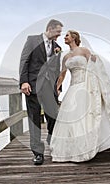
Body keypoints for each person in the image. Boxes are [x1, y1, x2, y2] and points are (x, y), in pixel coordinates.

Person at [50, 30, 110, 162]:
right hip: (73, 88)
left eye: (67, 35)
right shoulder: (66, 57)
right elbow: (62, 75)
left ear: (74, 37)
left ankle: (91, 144)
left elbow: (96, 65)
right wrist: (56, 89)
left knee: (89, 115)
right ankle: (74, 148)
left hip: (86, 86)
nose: (64, 37)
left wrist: (96, 75)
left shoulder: (84, 51)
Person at [19, 19, 63, 165]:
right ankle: (38, 153)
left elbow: (56, 68)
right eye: (57, 32)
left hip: (50, 87)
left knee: (54, 116)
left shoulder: (57, 47)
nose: (59, 36)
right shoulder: (32, 40)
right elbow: (24, 60)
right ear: (50, 28)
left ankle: (52, 140)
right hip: (33, 84)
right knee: (34, 118)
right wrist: (23, 81)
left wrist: (58, 87)